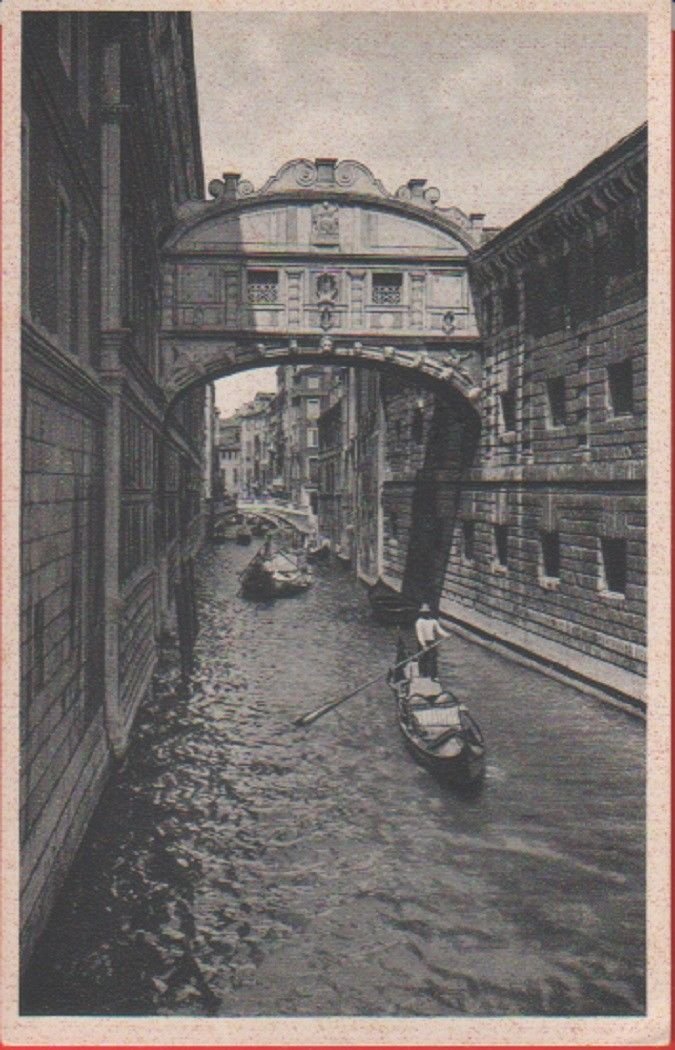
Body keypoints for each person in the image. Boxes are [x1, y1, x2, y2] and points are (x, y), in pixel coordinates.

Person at [414, 603, 449, 680]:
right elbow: (420, 634)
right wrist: (423, 645)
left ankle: (433, 675)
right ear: (422, 613)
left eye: (427, 612)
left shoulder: (433, 621)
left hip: (432, 642)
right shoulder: (419, 622)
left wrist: (446, 634)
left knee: (433, 658)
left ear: (429, 612)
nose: (426, 614)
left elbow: (439, 630)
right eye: (424, 612)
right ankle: (423, 674)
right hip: (422, 642)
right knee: (423, 658)